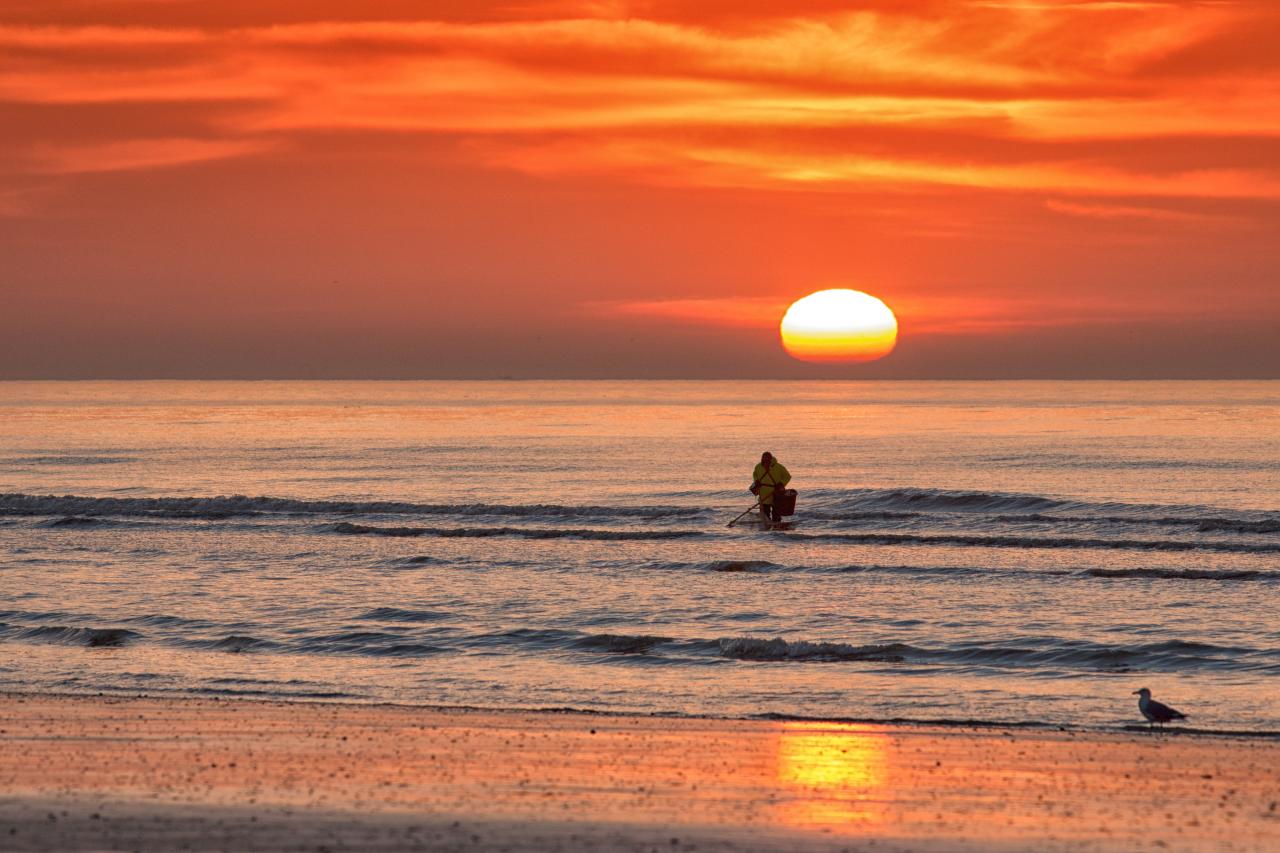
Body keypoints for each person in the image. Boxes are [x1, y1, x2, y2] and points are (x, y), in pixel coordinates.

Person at [750, 451, 791, 524]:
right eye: (764, 459)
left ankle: (776, 529)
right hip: (763, 494)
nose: (765, 461)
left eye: (767, 459)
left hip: (776, 494)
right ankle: (767, 531)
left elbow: (787, 476)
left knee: (776, 514)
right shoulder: (758, 466)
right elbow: (755, 474)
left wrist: (781, 484)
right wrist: (756, 481)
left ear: (771, 459)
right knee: (765, 515)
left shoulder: (778, 467)